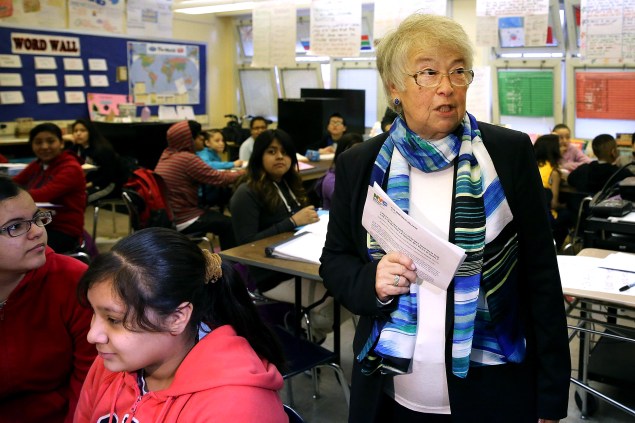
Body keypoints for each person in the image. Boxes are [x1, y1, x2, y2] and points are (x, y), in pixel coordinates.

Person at [319, 14, 570, 422]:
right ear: (394, 87)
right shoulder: (361, 164)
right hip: (390, 393)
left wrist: (551, 394)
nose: (447, 87)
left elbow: (540, 273)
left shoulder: (507, 153)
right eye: (428, 72)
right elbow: (335, 261)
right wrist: (374, 282)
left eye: (458, 71)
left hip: (495, 391)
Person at [74, 227, 287, 422]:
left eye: (114, 320)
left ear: (176, 318)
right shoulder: (111, 362)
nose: (93, 335)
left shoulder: (237, 408)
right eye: (94, 312)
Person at [0, 176, 95, 423]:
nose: (37, 232)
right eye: (15, 227)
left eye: (36, 218)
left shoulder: (72, 280)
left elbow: (90, 381)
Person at [230, 129, 338, 343]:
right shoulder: (247, 193)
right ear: (259, 156)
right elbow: (246, 244)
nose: (280, 157)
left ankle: (306, 331)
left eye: (285, 152)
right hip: (271, 275)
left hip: (297, 263)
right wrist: (292, 222)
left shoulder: (287, 184)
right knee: (334, 298)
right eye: (272, 151)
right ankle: (304, 334)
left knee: (345, 287)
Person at [154, 120, 244, 250]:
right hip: (184, 218)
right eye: (197, 135)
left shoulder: (167, 154)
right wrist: (243, 173)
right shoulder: (187, 158)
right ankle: (230, 264)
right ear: (188, 140)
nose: (202, 138)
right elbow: (220, 178)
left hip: (168, 216)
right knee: (228, 224)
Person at [13, 122, 87, 252]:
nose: (44, 146)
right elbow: (15, 182)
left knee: (13, 247)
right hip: (38, 223)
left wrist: (11, 194)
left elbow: (44, 194)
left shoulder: (70, 168)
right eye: (38, 142)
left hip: (62, 229)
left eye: (50, 141)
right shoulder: (38, 164)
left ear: (61, 143)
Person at [65, 118, 127, 204]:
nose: (78, 134)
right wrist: (63, 139)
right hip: (87, 183)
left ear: (90, 132)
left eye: (83, 130)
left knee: (78, 200)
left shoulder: (102, 150)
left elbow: (107, 175)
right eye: (75, 131)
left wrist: (86, 186)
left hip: (108, 185)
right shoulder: (76, 148)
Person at [534, 134, 573, 249]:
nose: (564, 149)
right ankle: (556, 246)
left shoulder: (531, 165)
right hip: (545, 216)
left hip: (528, 215)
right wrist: (565, 205)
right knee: (569, 213)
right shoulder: (554, 172)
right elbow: (554, 204)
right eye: (560, 146)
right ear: (554, 150)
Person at [568, 134, 633, 194]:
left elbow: (570, 179)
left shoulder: (583, 170)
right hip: (608, 206)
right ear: (613, 152)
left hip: (583, 205)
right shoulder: (623, 174)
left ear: (594, 152)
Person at [317, 132, 363, 210]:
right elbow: (349, 204)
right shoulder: (330, 180)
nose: (357, 157)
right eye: (352, 152)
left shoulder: (358, 172)